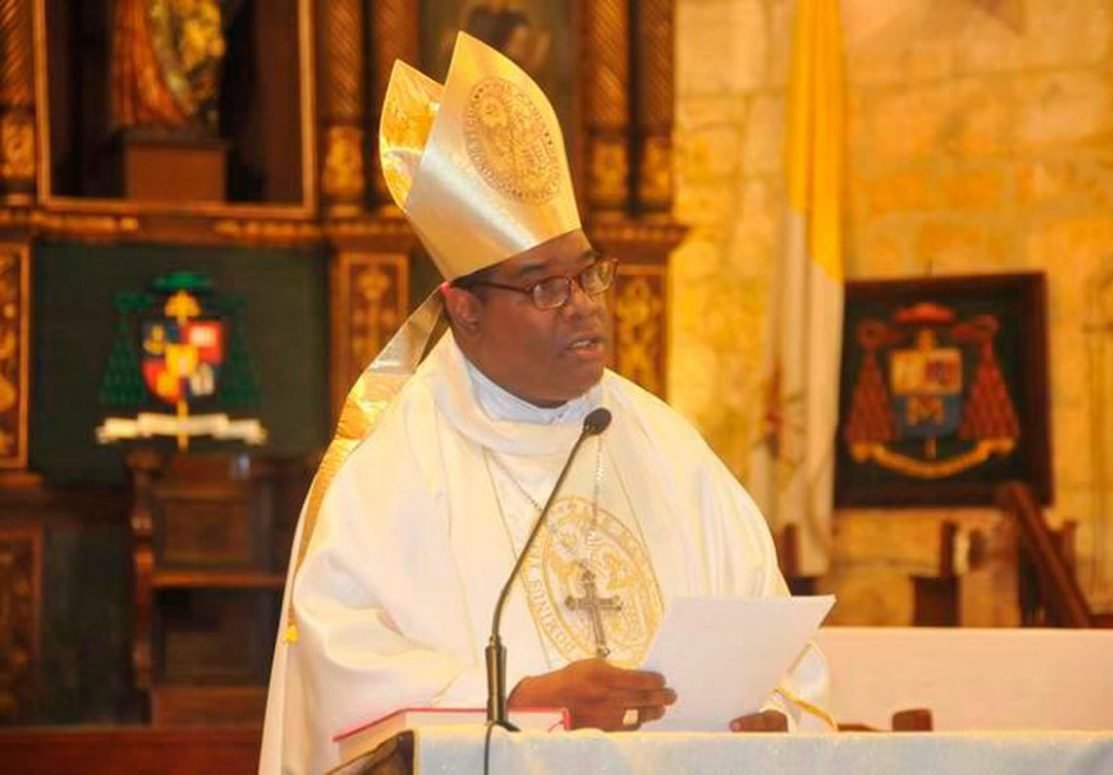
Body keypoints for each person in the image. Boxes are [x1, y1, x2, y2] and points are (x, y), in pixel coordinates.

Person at [259, 32, 832, 775]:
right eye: (544, 287)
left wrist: (775, 720)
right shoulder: (390, 469)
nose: (583, 305)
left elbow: (782, 652)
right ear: (464, 307)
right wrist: (522, 700)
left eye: (589, 275)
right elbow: (341, 671)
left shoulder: (667, 447)